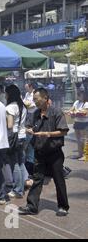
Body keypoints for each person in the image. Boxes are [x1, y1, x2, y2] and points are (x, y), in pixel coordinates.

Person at [18, 88, 70, 216]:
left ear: (45, 98)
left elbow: (64, 131)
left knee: (58, 179)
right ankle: (32, 206)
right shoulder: (35, 113)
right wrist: (28, 130)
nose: (34, 102)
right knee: (37, 179)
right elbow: (28, 126)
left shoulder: (56, 112)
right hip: (39, 152)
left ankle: (63, 206)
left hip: (54, 152)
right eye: (34, 99)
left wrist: (48, 134)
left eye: (36, 99)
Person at [5, 85, 28, 199]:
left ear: (9, 94)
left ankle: (18, 190)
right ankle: (23, 185)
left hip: (13, 138)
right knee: (20, 162)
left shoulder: (10, 107)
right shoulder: (22, 106)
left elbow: (9, 125)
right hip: (22, 136)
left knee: (14, 164)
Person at [23, 82, 37, 184]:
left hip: (33, 117)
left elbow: (33, 105)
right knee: (28, 149)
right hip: (28, 117)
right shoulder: (27, 94)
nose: (26, 89)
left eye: (27, 87)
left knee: (30, 147)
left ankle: (31, 170)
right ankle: (28, 169)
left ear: (31, 87)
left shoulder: (35, 94)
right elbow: (25, 103)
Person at [69, 91, 88, 161]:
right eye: (78, 95)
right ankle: (80, 154)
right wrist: (71, 112)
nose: (78, 97)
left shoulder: (86, 103)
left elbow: (85, 112)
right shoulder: (76, 102)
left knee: (84, 139)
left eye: (80, 95)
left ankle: (85, 155)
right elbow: (72, 109)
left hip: (84, 123)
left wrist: (76, 112)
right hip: (77, 122)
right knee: (79, 140)